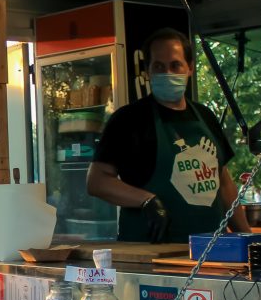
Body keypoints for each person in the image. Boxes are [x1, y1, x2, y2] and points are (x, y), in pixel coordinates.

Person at [87, 28, 250, 243]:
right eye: (158, 66)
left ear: (190, 68)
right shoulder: (129, 120)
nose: (168, 73)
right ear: (147, 71)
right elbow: (97, 181)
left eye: (175, 65)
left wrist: (248, 238)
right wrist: (147, 200)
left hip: (210, 250)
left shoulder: (205, 116)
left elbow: (224, 183)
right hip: (151, 254)